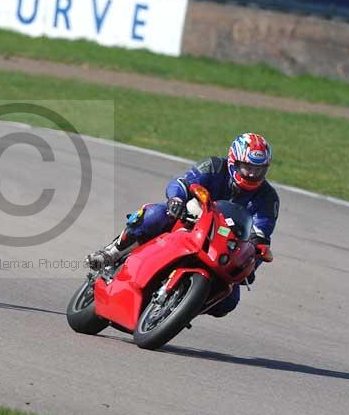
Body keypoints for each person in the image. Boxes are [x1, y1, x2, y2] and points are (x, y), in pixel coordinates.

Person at [86, 133, 279, 317]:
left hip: (223, 246)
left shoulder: (268, 198)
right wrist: (176, 199)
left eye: (259, 169)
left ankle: (182, 308)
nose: (253, 174)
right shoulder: (213, 166)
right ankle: (112, 252)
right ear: (233, 162)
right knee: (156, 214)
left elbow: (260, 238)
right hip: (192, 220)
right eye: (248, 167)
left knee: (229, 298)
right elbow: (181, 183)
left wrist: (250, 267)